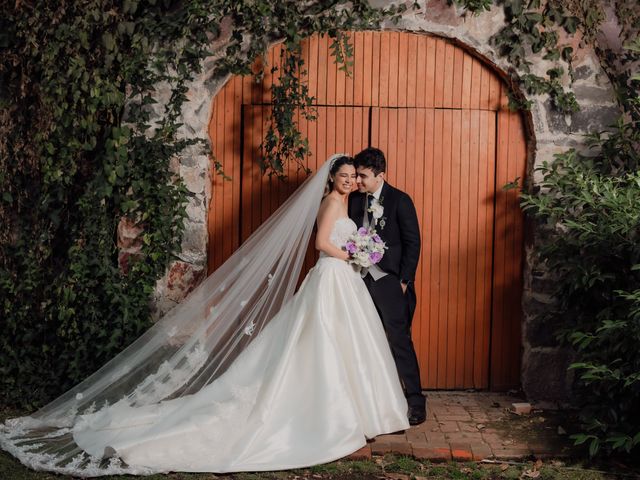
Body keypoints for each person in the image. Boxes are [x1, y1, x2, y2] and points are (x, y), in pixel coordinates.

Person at [0, 155, 409, 477]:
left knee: (346, 344)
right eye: (344, 174)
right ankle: (325, 413)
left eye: (354, 175)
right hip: (331, 277)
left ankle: (357, 410)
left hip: (344, 281)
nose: (350, 179)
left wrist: (358, 251)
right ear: (332, 177)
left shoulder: (347, 202)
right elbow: (321, 243)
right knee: (321, 344)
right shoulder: (330, 203)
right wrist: (354, 253)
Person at [348, 147, 426, 426]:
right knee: (362, 339)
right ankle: (372, 402)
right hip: (358, 280)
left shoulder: (400, 200)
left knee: (399, 340)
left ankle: (416, 401)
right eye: (356, 175)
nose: (358, 181)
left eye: (364, 176)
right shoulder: (354, 201)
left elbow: (413, 242)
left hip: (390, 281)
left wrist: (404, 281)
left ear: (382, 176)